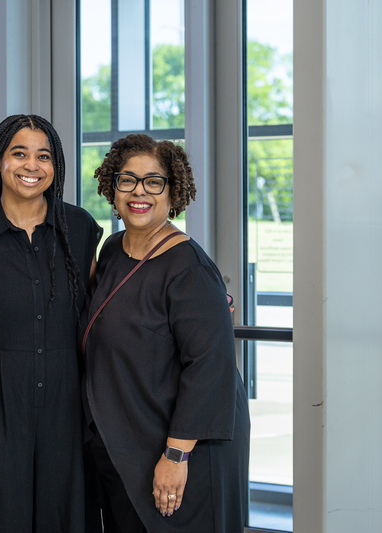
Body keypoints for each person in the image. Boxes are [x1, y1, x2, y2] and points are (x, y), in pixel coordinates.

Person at [80, 133, 250, 532]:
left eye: (154, 181)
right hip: (128, 440)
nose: (140, 192)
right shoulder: (112, 250)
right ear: (112, 187)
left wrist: (176, 457)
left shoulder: (188, 267)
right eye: (128, 180)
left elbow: (210, 368)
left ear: (174, 193)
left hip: (183, 450)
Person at [0, 114, 103, 533]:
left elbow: (103, 309)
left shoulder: (81, 226)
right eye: (19, 153)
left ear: (56, 166)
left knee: (63, 512)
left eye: (43, 155)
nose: (32, 165)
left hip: (67, 403)